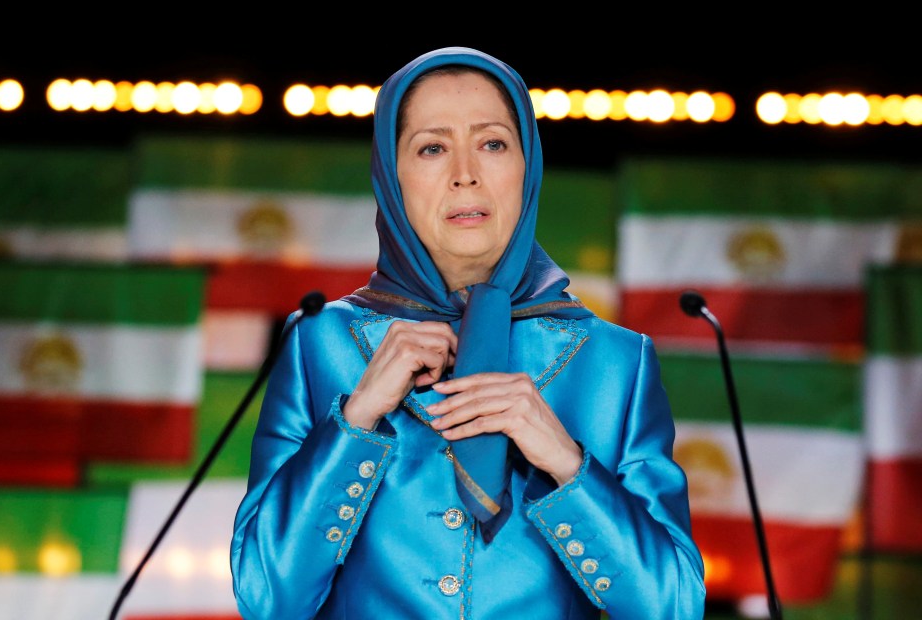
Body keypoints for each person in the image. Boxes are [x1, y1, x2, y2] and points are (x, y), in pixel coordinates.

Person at [230, 46, 706, 619]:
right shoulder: (318, 343)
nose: (465, 175)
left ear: (527, 165)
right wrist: (355, 422)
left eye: (493, 144)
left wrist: (566, 461)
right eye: (432, 148)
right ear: (390, 175)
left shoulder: (615, 362)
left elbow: (674, 606)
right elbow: (265, 598)